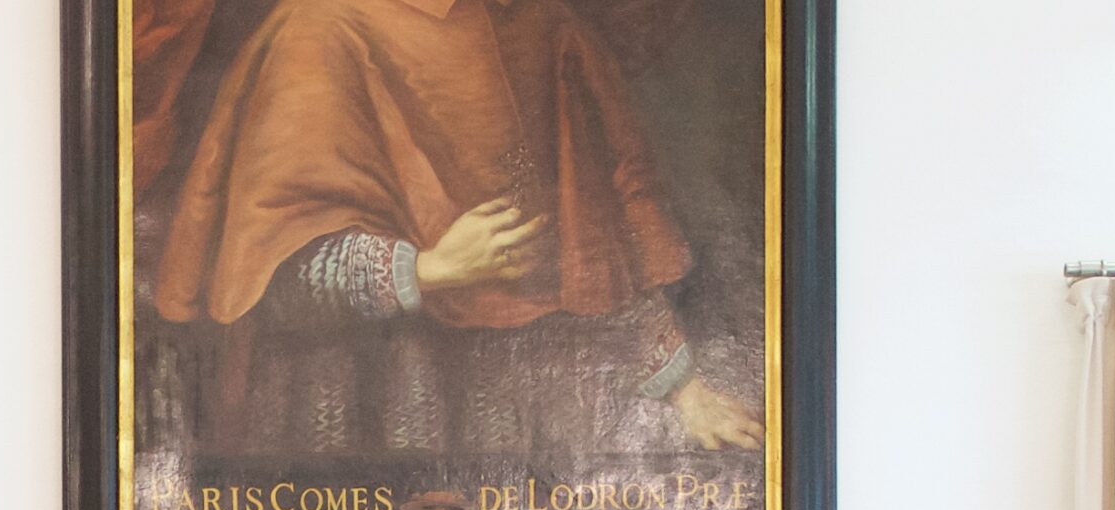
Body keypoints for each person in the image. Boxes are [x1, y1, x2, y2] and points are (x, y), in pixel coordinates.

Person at [147, 0, 764, 458]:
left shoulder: (545, 29)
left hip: (515, 408)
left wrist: (682, 388)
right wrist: (428, 269)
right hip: (362, 404)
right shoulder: (315, 31)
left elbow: (601, 238)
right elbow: (268, 278)